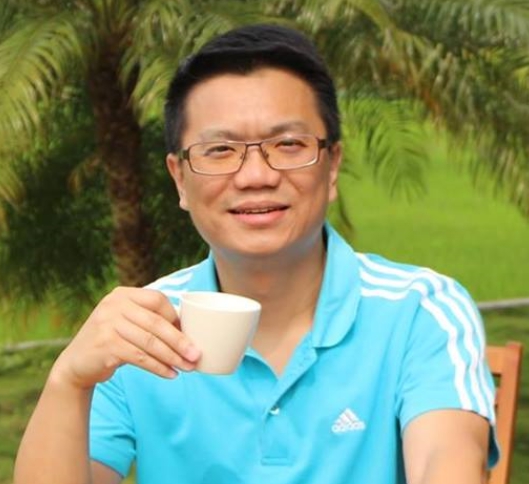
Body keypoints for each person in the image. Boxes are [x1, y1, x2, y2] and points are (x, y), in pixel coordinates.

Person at [14, 24, 498, 484]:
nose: (256, 176)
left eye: (288, 144)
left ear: (332, 166)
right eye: (220, 150)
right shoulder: (143, 329)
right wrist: (69, 382)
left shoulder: (418, 310)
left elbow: (446, 462)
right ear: (179, 178)